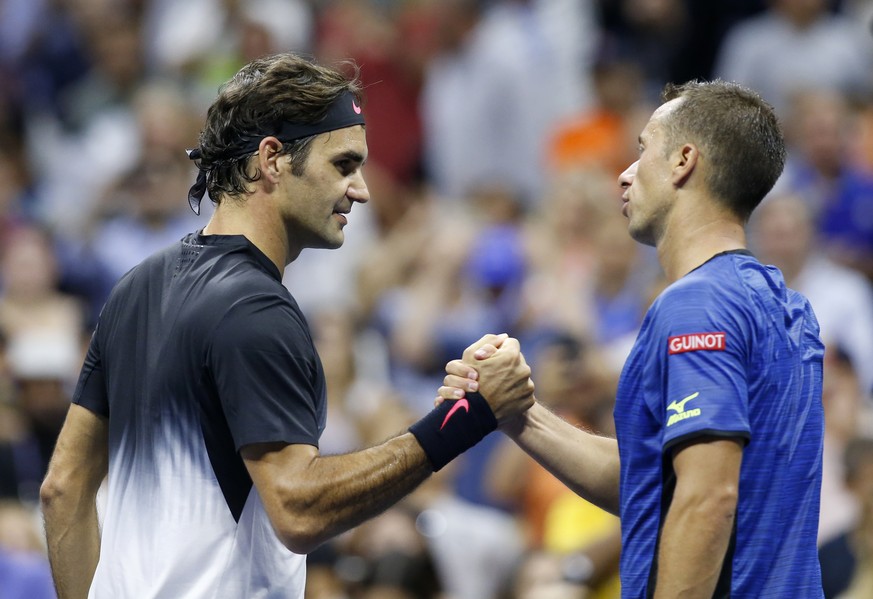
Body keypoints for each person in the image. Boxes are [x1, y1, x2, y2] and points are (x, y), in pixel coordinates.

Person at [38, 53, 535, 599]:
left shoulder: (136, 286)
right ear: (273, 159)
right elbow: (298, 508)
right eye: (343, 165)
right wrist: (463, 420)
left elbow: (63, 489)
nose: (362, 190)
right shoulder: (256, 309)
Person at [441, 80, 826, 596]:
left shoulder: (697, 305)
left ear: (683, 161)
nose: (623, 174)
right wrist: (515, 412)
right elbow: (653, 482)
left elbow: (707, 497)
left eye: (643, 149)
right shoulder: (785, 305)